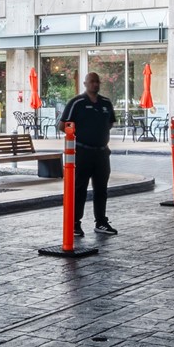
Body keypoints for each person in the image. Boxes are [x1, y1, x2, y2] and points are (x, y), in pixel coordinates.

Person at [60, 71, 118, 235]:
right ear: (85, 84)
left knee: (101, 188)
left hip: (101, 153)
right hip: (82, 152)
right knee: (79, 188)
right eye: (92, 81)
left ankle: (101, 222)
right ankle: (74, 223)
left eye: (97, 81)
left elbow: (110, 123)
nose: (95, 84)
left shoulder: (105, 103)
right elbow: (62, 125)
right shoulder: (76, 103)